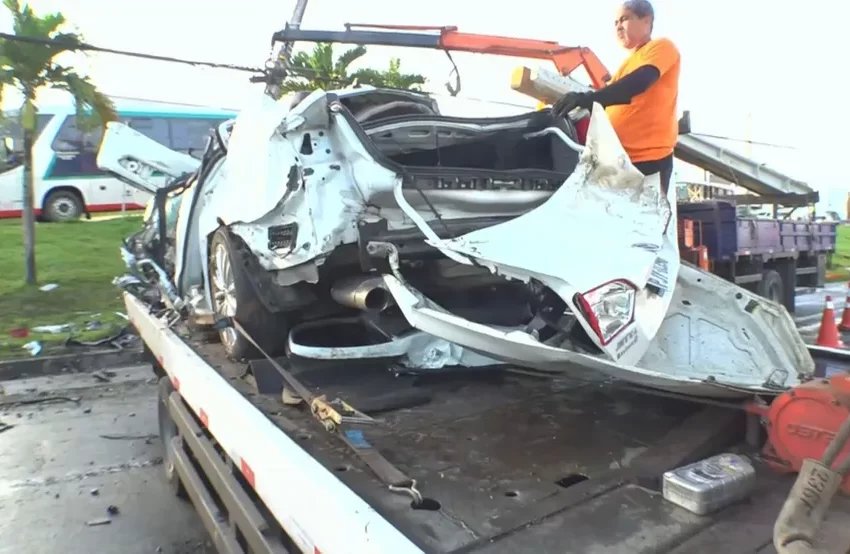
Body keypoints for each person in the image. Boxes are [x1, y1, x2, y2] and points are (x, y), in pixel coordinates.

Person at [552, 0, 681, 194]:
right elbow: (610, 97)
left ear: (646, 20)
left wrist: (586, 98)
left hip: (649, 161)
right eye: (615, 23)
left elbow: (638, 82)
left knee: (643, 222)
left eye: (624, 19)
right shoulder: (627, 64)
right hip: (619, 160)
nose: (618, 26)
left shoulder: (662, 47)